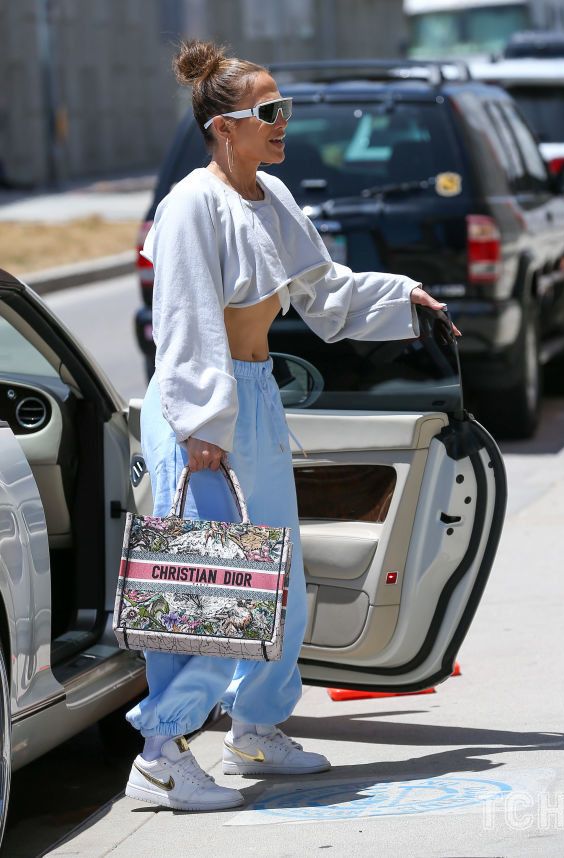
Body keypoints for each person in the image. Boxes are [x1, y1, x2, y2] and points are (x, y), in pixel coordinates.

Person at [124, 40, 459, 813]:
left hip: (257, 399)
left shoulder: (271, 199)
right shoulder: (190, 206)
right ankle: (162, 752)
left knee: (278, 582)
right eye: (269, 113)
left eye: (284, 110)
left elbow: (326, 290)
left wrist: (404, 295)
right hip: (202, 414)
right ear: (225, 128)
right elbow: (182, 325)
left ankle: (255, 727)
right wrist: (202, 424)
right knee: (208, 587)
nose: (284, 124)